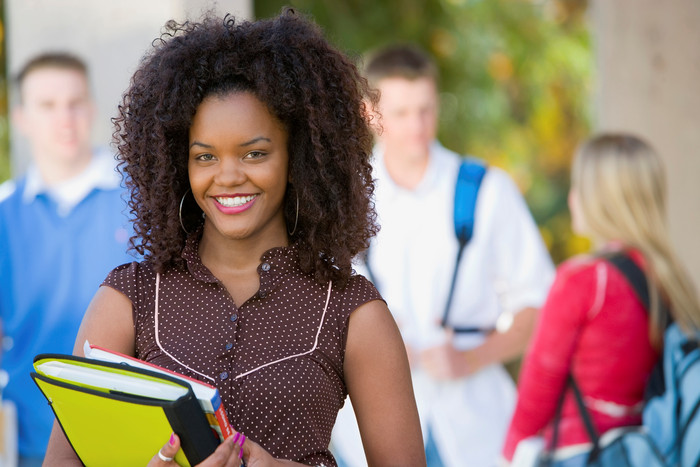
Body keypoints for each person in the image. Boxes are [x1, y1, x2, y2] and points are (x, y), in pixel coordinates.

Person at [42, 10, 425, 467]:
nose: (227, 176)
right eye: (204, 156)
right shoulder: (130, 298)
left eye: (255, 153)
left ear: (297, 156)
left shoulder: (350, 310)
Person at [331, 45, 556, 467]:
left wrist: (470, 359)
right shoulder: (343, 201)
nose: (417, 126)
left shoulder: (488, 190)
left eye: (426, 110)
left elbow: (540, 308)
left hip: (473, 430)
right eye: (400, 113)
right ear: (369, 113)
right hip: (364, 438)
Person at [501, 133, 700, 466]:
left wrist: (508, 455)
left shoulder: (583, 280)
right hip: (648, 452)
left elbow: (540, 384)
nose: (572, 198)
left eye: (580, 187)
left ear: (601, 200)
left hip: (582, 453)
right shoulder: (672, 279)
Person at [0, 52, 134, 465]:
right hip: (34, 448)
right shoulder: (4, 215)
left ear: (92, 108)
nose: (65, 117)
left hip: (137, 439)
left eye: (75, 102)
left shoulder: (142, 198)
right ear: (21, 118)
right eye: (47, 105)